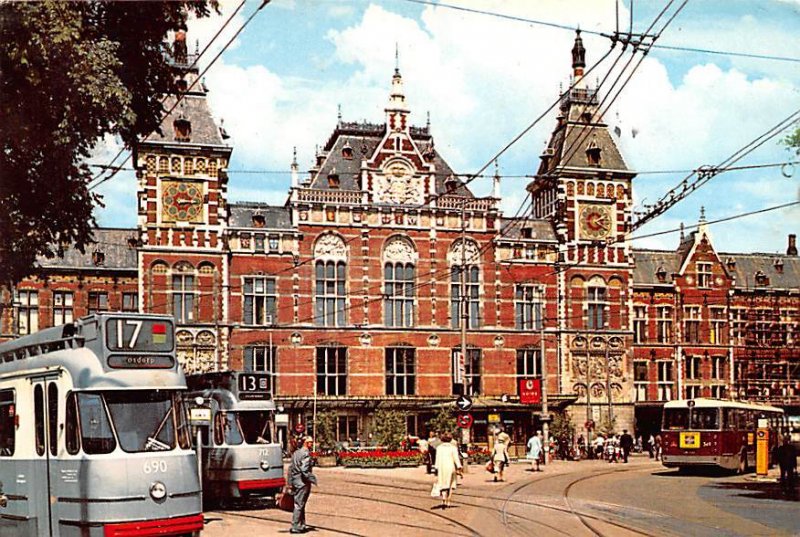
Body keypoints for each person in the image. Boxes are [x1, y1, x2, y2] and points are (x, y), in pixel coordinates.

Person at [289, 436, 317, 534]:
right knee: (299, 504)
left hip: (296, 481)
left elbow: (291, 469)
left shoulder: (296, 453)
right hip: (303, 482)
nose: (312, 444)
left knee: (300, 504)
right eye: (310, 442)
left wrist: (290, 483)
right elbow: (304, 469)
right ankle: (296, 526)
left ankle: (301, 525)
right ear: (306, 443)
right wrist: (311, 478)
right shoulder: (306, 454)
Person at [434, 432, 462, 509]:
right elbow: (456, 458)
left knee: (442, 483)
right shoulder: (453, 448)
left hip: (442, 467)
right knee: (451, 483)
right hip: (451, 467)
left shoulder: (439, 448)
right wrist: (459, 466)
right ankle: (448, 500)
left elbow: (437, 458)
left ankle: (443, 497)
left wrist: (436, 468)